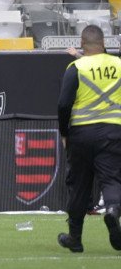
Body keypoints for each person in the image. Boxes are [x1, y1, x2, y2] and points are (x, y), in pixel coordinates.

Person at [54, 24, 121, 254]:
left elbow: (64, 104)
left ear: (82, 44)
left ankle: (75, 238)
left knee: (79, 184)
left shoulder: (76, 67)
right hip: (113, 131)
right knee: (112, 179)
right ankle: (112, 211)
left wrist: (65, 132)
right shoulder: (119, 65)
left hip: (82, 134)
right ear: (104, 44)